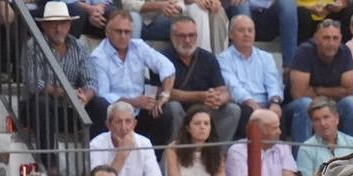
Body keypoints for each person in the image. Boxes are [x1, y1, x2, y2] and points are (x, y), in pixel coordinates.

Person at [21, 1, 110, 173]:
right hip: (41, 109)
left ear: (69, 25)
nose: (58, 29)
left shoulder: (80, 46)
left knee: (100, 105)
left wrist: (86, 95)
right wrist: (64, 92)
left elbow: (91, 80)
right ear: (44, 26)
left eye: (62, 24)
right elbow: (33, 82)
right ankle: (50, 163)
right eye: (53, 24)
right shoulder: (33, 46)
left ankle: (96, 164)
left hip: (71, 107)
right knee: (42, 102)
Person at [91, 8, 181, 145]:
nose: (123, 36)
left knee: (165, 111)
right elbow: (103, 95)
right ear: (107, 32)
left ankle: (153, 159)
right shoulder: (98, 56)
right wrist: (133, 102)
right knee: (101, 105)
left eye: (127, 32)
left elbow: (167, 67)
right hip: (115, 113)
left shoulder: (138, 46)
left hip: (140, 110)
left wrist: (164, 96)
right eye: (118, 31)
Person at [164, 13, 242, 143]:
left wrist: (218, 99)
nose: (188, 40)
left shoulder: (208, 58)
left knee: (233, 110)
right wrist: (199, 96)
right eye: (182, 36)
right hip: (181, 110)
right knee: (173, 107)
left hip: (205, 112)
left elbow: (223, 90)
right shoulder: (163, 58)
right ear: (172, 37)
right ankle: (178, 152)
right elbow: (164, 92)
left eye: (191, 35)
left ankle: (216, 154)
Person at [286, 19, 353, 144]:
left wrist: (319, 90)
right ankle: (303, 156)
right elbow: (299, 94)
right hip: (296, 109)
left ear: (340, 38)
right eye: (326, 38)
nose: (331, 43)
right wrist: (336, 92)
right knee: (304, 104)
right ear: (316, 38)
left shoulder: (344, 52)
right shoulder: (304, 51)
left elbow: (349, 91)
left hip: (331, 106)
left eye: (335, 38)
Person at [88, 100, 166, 176]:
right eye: (118, 122)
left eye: (128, 121)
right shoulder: (97, 144)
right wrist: (122, 154)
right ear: (108, 125)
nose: (124, 127)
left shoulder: (144, 142)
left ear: (134, 124)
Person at [227, 108, 302, 176]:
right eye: (275, 128)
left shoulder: (283, 147)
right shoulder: (237, 150)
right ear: (259, 130)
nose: (280, 132)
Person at [218, 15, 283, 120]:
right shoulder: (223, 59)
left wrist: (275, 102)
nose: (246, 34)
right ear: (230, 35)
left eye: (250, 30)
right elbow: (233, 86)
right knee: (247, 112)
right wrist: (251, 103)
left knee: (277, 114)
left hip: (267, 104)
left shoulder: (266, 57)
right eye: (241, 30)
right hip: (243, 104)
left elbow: (273, 82)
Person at [296, 97, 353, 176]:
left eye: (326, 117)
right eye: (316, 119)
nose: (322, 123)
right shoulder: (306, 149)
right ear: (312, 123)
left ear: (336, 118)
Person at [225, 0, 297, 59]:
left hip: (270, 14)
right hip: (242, 11)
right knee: (241, 5)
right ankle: (243, 61)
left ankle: (289, 66)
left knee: (288, 2)